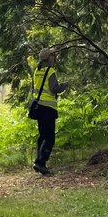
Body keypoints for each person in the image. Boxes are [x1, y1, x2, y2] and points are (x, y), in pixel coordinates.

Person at [31, 47, 67, 175]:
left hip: (38, 106)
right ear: (49, 58)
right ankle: (40, 162)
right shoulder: (51, 71)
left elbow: (34, 89)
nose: (55, 58)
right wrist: (64, 85)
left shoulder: (37, 71)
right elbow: (54, 89)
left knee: (42, 135)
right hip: (48, 108)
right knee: (49, 137)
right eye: (53, 56)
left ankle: (39, 162)